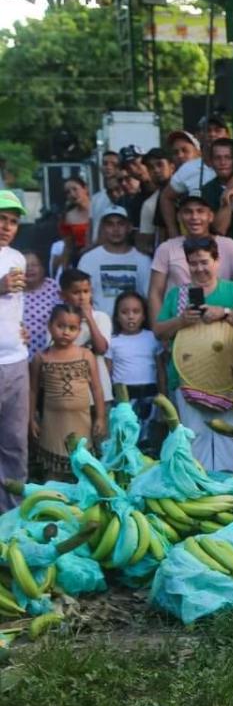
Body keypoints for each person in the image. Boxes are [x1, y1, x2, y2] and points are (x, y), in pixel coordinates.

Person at [154, 236, 233, 473]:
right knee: (194, 439)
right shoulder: (178, 295)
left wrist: (226, 312)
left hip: (229, 378)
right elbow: (158, 331)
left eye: (205, 261)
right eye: (193, 263)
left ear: (217, 261)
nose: (199, 268)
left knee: (231, 440)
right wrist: (181, 320)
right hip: (187, 378)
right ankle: (200, 492)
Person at [29, 304, 106, 480]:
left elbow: (96, 388)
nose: (66, 332)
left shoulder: (86, 355)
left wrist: (100, 417)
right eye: (60, 326)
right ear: (50, 326)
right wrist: (31, 418)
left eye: (72, 328)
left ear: (79, 331)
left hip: (82, 421)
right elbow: (33, 390)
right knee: (53, 473)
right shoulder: (41, 357)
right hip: (52, 423)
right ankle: (54, 503)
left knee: (83, 470)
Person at [148, 196, 233, 321]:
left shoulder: (229, 246)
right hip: (179, 324)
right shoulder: (166, 248)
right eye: (188, 212)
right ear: (179, 217)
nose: (194, 217)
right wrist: (160, 330)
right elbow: (155, 293)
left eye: (200, 211)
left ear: (210, 216)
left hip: (223, 324)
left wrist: (226, 305)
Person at [108, 290, 165, 449]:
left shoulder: (152, 337)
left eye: (136, 311)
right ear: (117, 316)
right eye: (124, 312)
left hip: (150, 395)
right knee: (125, 440)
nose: (130, 316)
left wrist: (164, 397)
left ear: (144, 315)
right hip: (123, 398)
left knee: (148, 441)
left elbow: (160, 370)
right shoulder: (113, 341)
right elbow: (108, 373)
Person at [0, 192, 27, 509]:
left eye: (14, 221)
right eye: (2, 219)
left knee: (15, 444)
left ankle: (13, 518)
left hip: (16, 361)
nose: (7, 227)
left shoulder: (17, 258)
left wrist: (20, 329)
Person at [159, 116, 229, 238]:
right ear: (198, 136)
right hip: (200, 242)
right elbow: (166, 197)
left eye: (217, 130)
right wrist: (173, 230)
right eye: (207, 130)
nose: (212, 134)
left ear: (227, 134)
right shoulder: (188, 169)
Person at [77, 207, 151, 318]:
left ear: (129, 227)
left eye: (121, 224)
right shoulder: (88, 259)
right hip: (98, 326)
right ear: (102, 228)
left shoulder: (143, 260)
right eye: (110, 224)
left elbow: (149, 298)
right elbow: (80, 297)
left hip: (134, 327)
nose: (116, 229)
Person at [59, 268, 112, 403]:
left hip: (100, 394)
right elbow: (58, 352)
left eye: (86, 291)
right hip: (70, 394)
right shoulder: (58, 321)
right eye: (76, 292)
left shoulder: (101, 318)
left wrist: (89, 319)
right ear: (63, 295)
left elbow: (101, 349)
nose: (82, 297)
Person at [21, 251, 59, 359]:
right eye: (25, 266)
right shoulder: (13, 290)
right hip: (20, 353)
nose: (29, 269)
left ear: (42, 268)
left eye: (34, 265)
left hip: (49, 351)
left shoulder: (53, 286)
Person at [138, 147, 175, 253]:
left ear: (172, 167)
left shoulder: (188, 192)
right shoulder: (149, 205)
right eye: (150, 167)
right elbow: (144, 244)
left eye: (160, 164)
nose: (156, 170)